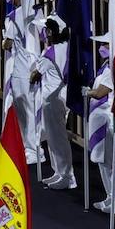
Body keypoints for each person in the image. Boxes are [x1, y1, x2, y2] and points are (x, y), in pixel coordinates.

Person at [82, 39, 115, 212]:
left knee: (112, 161)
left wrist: (88, 92)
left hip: (107, 121)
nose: (102, 47)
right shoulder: (105, 66)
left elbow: (102, 92)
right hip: (98, 122)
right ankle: (110, 196)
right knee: (103, 162)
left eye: (106, 45)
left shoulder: (112, 69)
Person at [0, 0, 42, 159]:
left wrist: (3, 39)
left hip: (21, 67)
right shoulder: (37, 13)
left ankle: (32, 150)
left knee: (24, 109)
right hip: (34, 64)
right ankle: (31, 148)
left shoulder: (14, 16)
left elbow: (6, 44)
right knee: (31, 108)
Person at [35, 14, 76, 188]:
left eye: (46, 29)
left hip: (52, 99)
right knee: (54, 136)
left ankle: (66, 176)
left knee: (56, 137)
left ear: (51, 32)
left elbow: (34, 75)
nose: (43, 32)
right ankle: (59, 172)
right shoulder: (67, 48)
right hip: (62, 96)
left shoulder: (50, 52)